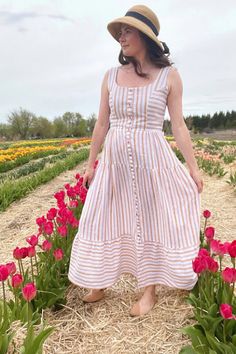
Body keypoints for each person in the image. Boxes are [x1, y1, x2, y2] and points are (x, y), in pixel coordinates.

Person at [68, 4, 203, 316]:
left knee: (149, 218)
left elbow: (178, 126)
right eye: (120, 33)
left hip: (151, 160)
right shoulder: (111, 76)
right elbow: (101, 124)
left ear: (145, 36)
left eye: (127, 31)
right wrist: (90, 163)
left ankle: (149, 290)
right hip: (115, 161)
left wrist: (193, 168)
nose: (121, 38)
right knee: (103, 215)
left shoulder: (170, 77)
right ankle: (99, 281)